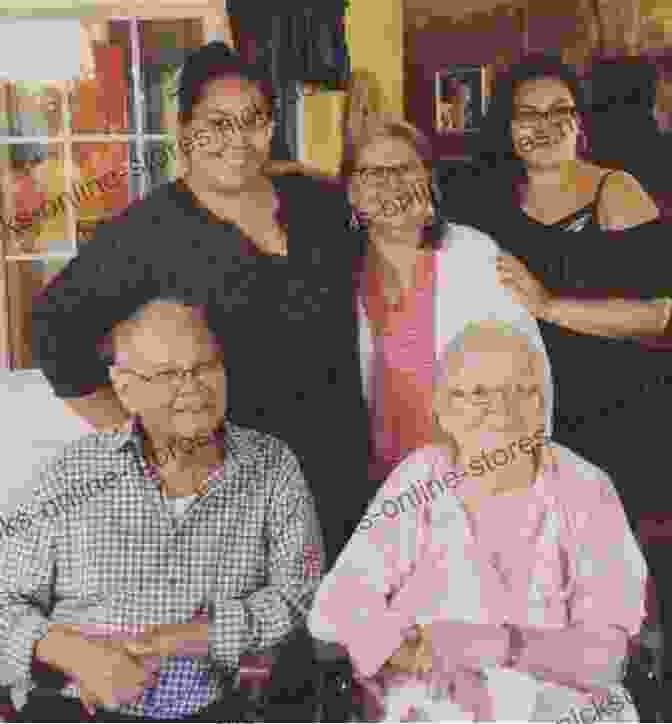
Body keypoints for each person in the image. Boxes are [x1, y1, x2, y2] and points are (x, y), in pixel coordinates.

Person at [31, 41, 369, 569]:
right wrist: (143, 440)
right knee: (254, 640)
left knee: (345, 634)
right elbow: (53, 331)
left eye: (254, 119)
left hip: (342, 473)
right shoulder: (149, 233)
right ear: (186, 129)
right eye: (217, 122)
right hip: (231, 496)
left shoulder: (317, 203)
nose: (238, 138)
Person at [0, 297, 323, 722]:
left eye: (206, 366)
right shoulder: (70, 474)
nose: (192, 387)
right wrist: (79, 656)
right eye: (169, 374)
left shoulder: (272, 466)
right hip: (76, 706)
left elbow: (300, 597)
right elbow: (6, 600)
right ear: (124, 386)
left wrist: (199, 635)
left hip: (220, 708)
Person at [309, 320, 647, 722]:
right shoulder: (418, 481)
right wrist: (416, 655)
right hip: (434, 703)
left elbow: (607, 658)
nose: (499, 410)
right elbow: (335, 606)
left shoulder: (586, 488)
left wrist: (497, 646)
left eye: (519, 391)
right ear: (443, 408)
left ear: (541, 405)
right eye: (477, 393)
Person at [343, 119, 553, 485]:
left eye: (405, 169)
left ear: (429, 183)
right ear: (351, 193)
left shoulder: (475, 256)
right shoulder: (337, 274)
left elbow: (532, 368)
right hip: (382, 489)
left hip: (479, 478)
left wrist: (526, 473)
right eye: (372, 172)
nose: (390, 184)